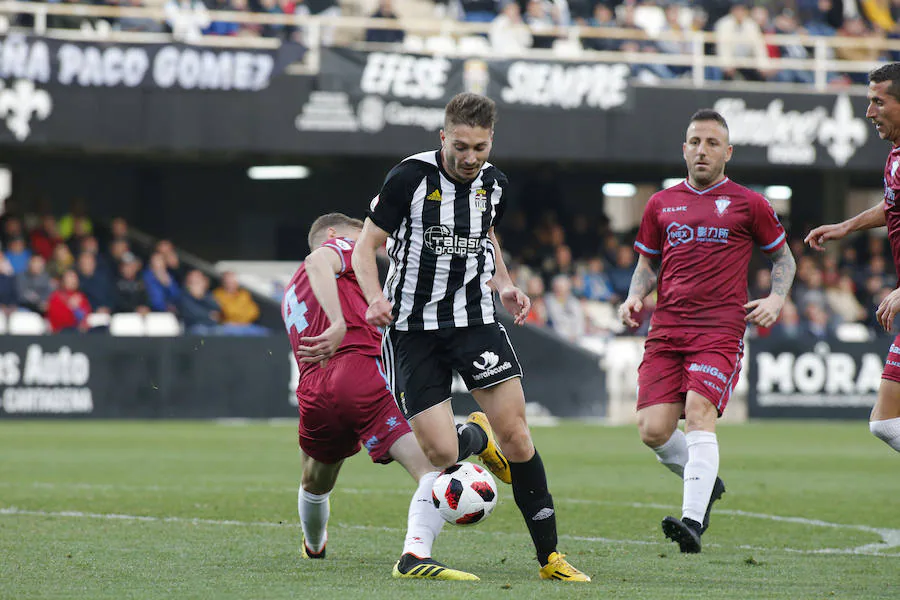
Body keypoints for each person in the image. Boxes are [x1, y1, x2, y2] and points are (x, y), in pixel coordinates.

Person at [352, 92, 590, 582]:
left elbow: (485, 236)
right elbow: (364, 247)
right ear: (444, 137)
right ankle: (477, 436)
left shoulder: (495, 185)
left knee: (519, 436)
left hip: (474, 320)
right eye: (460, 146)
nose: (469, 158)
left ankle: (549, 559)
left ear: (490, 143)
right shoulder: (410, 177)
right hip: (413, 330)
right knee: (440, 453)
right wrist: (375, 298)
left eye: (479, 148)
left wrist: (503, 282)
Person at [618, 109, 796, 554]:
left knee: (700, 413)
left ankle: (693, 522)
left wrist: (775, 299)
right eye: (695, 141)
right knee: (652, 430)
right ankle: (705, 481)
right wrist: (634, 296)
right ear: (684, 148)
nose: (702, 150)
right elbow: (648, 264)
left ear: (727, 152)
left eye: (712, 143)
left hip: (719, 331)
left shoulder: (749, 203)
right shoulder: (660, 203)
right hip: (666, 329)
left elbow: (784, 260)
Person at [283, 212, 477, 581]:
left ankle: (313, 545)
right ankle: (416, 555)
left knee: (315, 481)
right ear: (336, 233)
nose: (370, 242)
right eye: (362, 233)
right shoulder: (338, 248)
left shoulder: (293, 289)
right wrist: (339, 323)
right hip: (358, 371)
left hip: (314, 389)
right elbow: (318, 259)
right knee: (433, 468)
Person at [805, 63, 900, 455]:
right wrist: (846, 226)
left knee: (885, 422)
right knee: (885, 422)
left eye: (879, 102)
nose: (869, 112)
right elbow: (892, 205)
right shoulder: (896, 157)